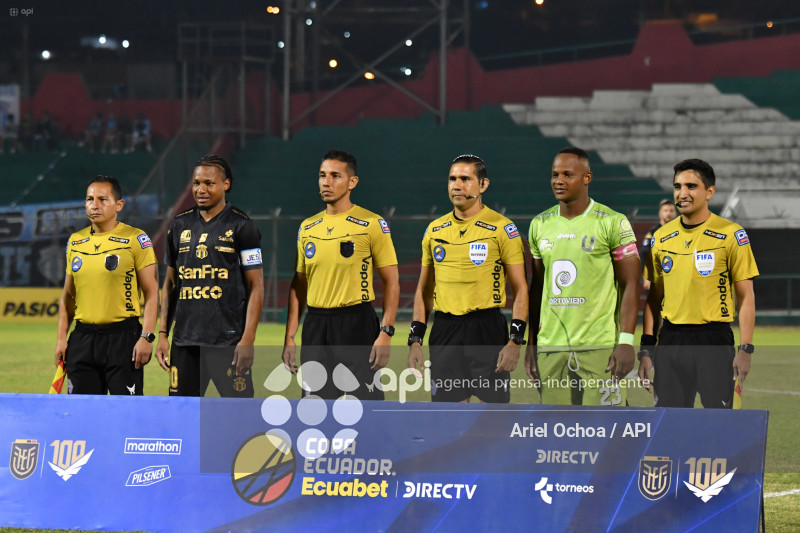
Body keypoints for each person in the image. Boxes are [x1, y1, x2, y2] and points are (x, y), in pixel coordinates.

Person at [407, 154, 528, 403]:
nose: (457, 185)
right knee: (448, 416)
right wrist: (415, 340)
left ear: (483, 185)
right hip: (445, 330)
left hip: (486, 330)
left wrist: (515, 341)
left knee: (492, 416)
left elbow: (521, 289)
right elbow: (424, 290)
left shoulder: (503, 229)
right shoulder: (434, 230)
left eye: (465, 179)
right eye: (452, 179)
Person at [639, 159, 758, 408]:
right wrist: (647, 350)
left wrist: (745, 349)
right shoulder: (661, 237)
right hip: (670, 340)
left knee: (718, 421)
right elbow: (654, 299)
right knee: (670, 422)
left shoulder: (731, 234)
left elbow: (746, 296)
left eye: (691, 186)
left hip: (714, 340)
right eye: (678, 186)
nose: (682, 193)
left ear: (709, 192)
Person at [526, 147, 640, 406]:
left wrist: (625, 342)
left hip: (600, 347)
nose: (558, 181)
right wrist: (532, 344)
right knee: (556, 427)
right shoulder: (539, 224)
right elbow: (538, 288)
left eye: (567, 174)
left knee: (604, 426)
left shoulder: (613, 222)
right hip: (551, 348)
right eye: (555, 174)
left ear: (587, 177)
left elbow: (630, 284)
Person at [282, 149, 399, 400]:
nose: (326, 182)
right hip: (315, 325)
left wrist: (386, 332)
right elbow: (299, 285)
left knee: (365, 406)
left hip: (356, 323)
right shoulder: (307, 227)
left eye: (335, 176)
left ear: (352, 182)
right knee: (314, 408)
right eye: (322, 175)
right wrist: (289, 336)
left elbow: (391, 281)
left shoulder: (372, 224)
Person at [156, 155, 264, 397]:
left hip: (228, 343)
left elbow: (256, 286)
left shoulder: (242, 226)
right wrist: (163, 334)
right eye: (196, 183)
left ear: (226, 184)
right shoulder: (179, 225)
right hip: (184, 343)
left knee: (239, 413)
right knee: (182, 414)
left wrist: (248, 339)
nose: (201, 190)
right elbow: (170, 284)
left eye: (209, 183)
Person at [54, 176, 158, 395]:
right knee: (83, 412)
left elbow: (151, 293)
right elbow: (68, 297)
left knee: (125, 413)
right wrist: (62, 339)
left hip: (123, 339)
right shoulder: (75, 241)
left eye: (102, 199)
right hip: (82, 339)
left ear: (119, 205)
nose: (94, 205)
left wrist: (147, 337)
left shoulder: (136, 239)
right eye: (89, 199)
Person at [640, 199, 677, 290]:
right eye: (665, 211)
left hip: (675, 276)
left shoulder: (680, 232)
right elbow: (645, 253)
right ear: (660, 213)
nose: (668, 213)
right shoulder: (653, 233)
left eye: (671, 211)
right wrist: (646, 276)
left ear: (675, 213)